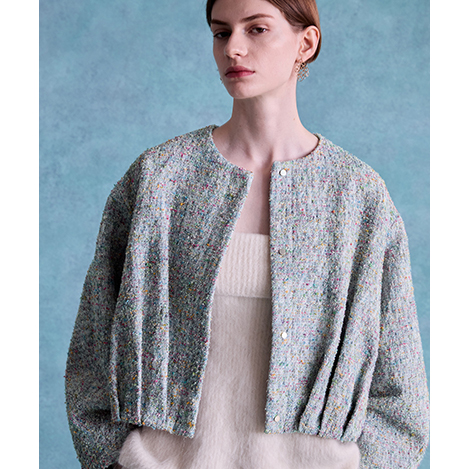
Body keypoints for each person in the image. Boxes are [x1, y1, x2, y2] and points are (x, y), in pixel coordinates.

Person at [65, 0, 430, 467]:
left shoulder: (359, 198)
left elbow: (401, 396)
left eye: (256, 29)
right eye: (221, 32)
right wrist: (122, 460)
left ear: (306, 43)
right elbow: (91, 357)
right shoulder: (160, 180)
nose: (233, 48)